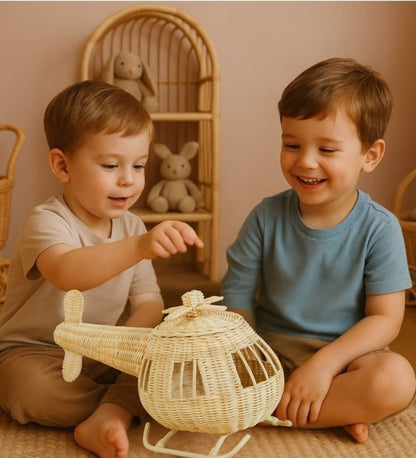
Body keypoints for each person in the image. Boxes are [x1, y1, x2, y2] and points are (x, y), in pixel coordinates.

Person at [0, 80, 203, 458]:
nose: (128, 178)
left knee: (169, 361)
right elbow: (66, 272)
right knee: (28, 388)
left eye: (139, 165)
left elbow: (148, 301)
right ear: (63, 165)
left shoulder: (131, 226)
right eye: (111, 165)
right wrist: (140, 247)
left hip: (104, 356)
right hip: (37, 354)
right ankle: (123, 407)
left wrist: (127, 344)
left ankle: (110, 412)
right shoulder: (47, 221)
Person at [221, 57, 416, 444]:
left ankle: (274, 409)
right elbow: (237, 295)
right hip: (267, 351)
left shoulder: (380, 227)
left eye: (327, 149)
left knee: (396, 380)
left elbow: (385, 321)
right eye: (292, 144)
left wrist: (324, 367)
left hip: (346, 358)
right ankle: (325, 411)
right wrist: (247, 353)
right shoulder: (266, 216)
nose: (305, 161)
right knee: (184, 361)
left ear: (370, 155)